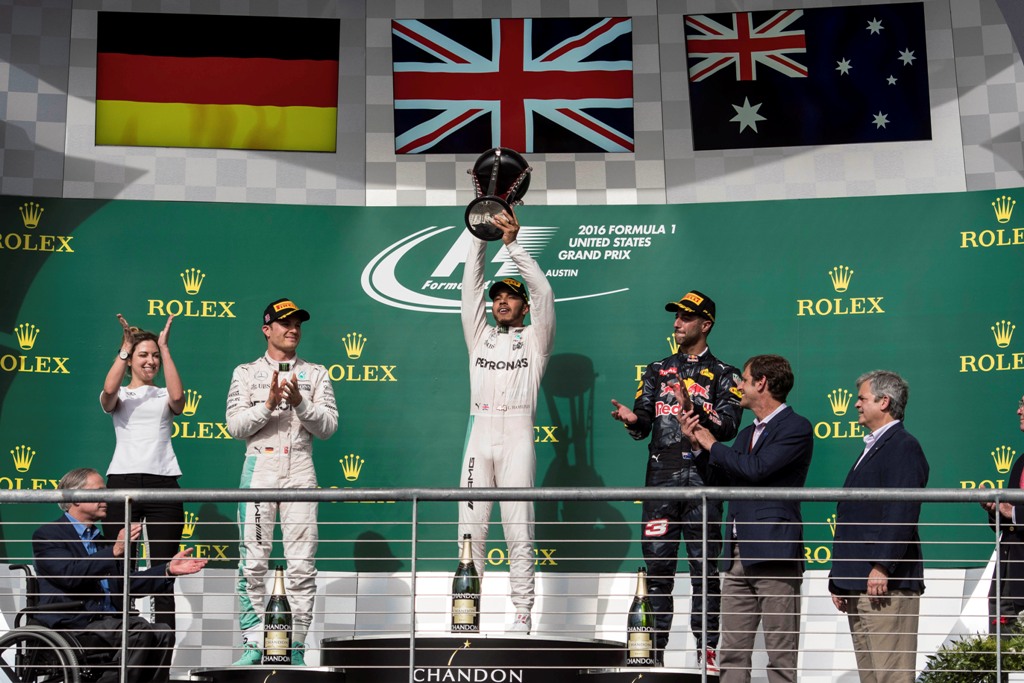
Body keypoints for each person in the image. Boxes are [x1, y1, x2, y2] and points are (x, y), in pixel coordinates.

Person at [610, 290, 742, 668]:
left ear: (706, 324)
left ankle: (709, 656)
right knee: (657, 571)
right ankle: (651, 656)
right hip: (662, 479)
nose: (677, 323)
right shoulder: (656, 369)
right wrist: (634, 421)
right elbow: (643, 419)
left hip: (705, 480)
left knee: (706, 572)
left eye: (686, 317)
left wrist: (696, 407)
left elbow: (729, 426)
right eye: (676, 316)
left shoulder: (725, 374)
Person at [678, 354, 813, 683]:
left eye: (744, 379)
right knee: (732, 654)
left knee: (781, 655)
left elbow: (757, 470)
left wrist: (712, 443)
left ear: (762, 383)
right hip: (737, 557)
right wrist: (697, 444)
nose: (738, 386)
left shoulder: (795, 427)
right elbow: (719, 477)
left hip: (774, 553)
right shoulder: (745, 435)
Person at [226, 298, 338, 665]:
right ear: (267, 329)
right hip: (259, 468)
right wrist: (269, 404)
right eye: (285, 323)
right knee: (254, 562)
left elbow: (328, 428)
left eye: (298, 324)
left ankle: (297, 646)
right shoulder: (245, 372)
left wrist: (302, 404)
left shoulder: (317, 372)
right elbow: (235, 427)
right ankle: (254, 643)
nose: (293, 329)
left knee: (302, 565)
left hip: (301, 469)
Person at [459, 209, 555, 633]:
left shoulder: (536, 339)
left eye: (511, 296)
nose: (501, 300)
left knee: (519, 532)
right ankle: (467, 615)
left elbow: (545, 293)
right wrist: (480, 236)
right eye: (498, 295)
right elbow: (470, 288)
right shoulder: (478, 333)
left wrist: (513, 247)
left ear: (523, 306)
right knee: (469, 535)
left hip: (517, 435)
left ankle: (521, 614)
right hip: (479, 436)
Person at [32, 468, 207, 683]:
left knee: (163, 632)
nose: (106, 497)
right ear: (75, 498)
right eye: (98, 492)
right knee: (138, 631)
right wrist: (113, 551)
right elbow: (69, 574)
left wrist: (167, 569)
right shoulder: (49, 535)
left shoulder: (102, 542)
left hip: (109, 624)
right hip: (74, 625)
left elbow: (127, 584)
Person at [829, 370, 929, 683]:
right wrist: (841, 578)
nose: (856, 404)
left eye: (862, 398)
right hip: (859, 582)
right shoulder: (873, 446)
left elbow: (901, 509)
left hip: (887, 583)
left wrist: (883, 565)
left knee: (892, 677)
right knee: (872, 678)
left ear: (884, 402)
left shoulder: (902, 446)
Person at [99, 313, 186, 630]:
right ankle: (120, 659)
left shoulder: (163, 394)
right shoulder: (120, 395)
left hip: (164, 486)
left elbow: (178, 399)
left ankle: (159, 668)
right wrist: (124, 347)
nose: (150, 361)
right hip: (122, 486)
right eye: (143, 355)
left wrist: (165, 347)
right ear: (130, 360)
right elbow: (108, 392)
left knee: (164, 575)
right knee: (121, 573)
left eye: (154, 356)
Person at [981, 391, 1024, 631]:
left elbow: (1015, 513)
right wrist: (994, 508)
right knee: (1002, 648)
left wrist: (1013, 513)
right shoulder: (1020, 461)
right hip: (1010, 570)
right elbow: (1007, 519)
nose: (1019, 411)